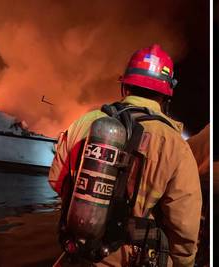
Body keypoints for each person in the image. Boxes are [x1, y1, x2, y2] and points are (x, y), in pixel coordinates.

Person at [48, 44, 202, 267]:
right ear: (166, 94)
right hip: (134, 260)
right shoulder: (175, 145)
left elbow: (56, 179)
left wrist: (86, 212)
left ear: (126, 85)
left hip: (80, 254)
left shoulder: (84, 123)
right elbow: (184, 226)